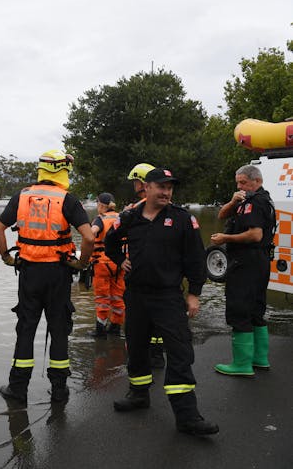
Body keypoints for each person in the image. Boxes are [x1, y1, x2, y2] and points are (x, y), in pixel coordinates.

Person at [104, 167, 219, 436]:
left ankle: (187, 416)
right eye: (161, 186)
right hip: (135, 295)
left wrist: (194, 294)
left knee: (179, 352)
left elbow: (195, 258)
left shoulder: (182, 219)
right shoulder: (129, 217)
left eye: (170, 187)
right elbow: (110, 243)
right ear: (147, 187)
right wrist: (121, 261)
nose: (167, 192)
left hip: (168, 296)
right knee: (137, 345)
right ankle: (138, 394)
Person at [0, 149, 94, 404]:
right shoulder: (68, 199)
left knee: (26, 329)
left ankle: (18, 389)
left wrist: (7, 257)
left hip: (28, 272)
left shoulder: (22, 196)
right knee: (59, 330)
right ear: (63, 171)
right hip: (59, 273)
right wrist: (81, 263)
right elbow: (90, 237)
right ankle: (59, 391)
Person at [210, 164, 275, 376]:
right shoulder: (258, 199)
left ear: (257, 181)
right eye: (237, 182)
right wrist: (233, 200)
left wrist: (225, 238)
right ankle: (259, 359)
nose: (239, 186)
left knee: (239, 308)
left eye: (243, 182)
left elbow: (255, 235)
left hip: (246, 261)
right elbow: (221, 215)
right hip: (260, 261)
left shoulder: (255, 202)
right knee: (256, 309)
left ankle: (242, 364)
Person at [127, 162, 165, 368]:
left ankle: (143, 357)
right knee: (159, 319)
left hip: (141, 273)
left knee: (141, 319)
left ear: (142, 183)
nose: (133, 185)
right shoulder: (167, 208)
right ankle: (157, 354)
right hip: (164, 274)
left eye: (135, 181)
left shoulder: (135, 210)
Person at [89, 192, 125, 337]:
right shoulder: (122, 217)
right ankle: (115, 327)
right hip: (121, 264)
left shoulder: (100, 219)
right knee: (118, 296)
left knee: (102, 298)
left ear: (101, 205)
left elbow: (91, 234)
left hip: (102, 264)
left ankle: (100, 330)